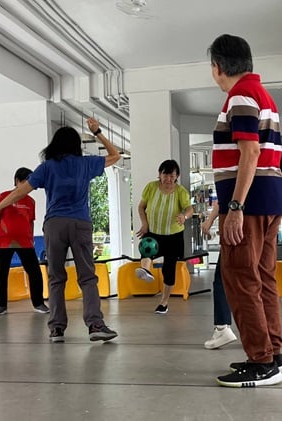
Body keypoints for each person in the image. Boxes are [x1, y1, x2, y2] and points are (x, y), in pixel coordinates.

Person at [0, 117, 120, 343]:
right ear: (75, 145)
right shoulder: (85, 163)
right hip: (80, 224)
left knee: (56, 277)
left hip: (55, 224)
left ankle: (57, 329)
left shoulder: (47, 167)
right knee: (87, 277)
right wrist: (97, 132)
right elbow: (116, 156)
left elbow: (21, 191)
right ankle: (95, 324)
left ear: (55, 145)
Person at [208, 34, 282, 387]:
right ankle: (273, 353)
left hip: (249, 203)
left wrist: (235, 206)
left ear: (217, 67)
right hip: (269, 199)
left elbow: (249, 153)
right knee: (263, 277)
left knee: (240, 277)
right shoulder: (263, 96)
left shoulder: (240, 96)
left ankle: (261, 360)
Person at [0, 167, 49, 316]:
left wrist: (31, 238)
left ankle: (38, 303)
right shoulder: (3, 197)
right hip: (4, 242)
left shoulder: (31, 201)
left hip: (25, 243)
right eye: (27, 180)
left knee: (34, 272)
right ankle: (0, 306)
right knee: (2, 273)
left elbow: (31, 221)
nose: (30, 184)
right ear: (17, 181)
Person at [135, 159, 193, 314]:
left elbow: (189, 209)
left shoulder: (181, 192)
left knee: (169, 269)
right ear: (159, 175)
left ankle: (164, 302)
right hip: (153, 231)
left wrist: (184, 217)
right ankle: (145, 270)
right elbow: (141, 207)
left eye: (172, 176)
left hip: (173, 236)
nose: (168, 179)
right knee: (146, 250)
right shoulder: (151, 187)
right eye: (165, 175)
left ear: (176, 176)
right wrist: (144, 223)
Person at [201, 203, 237, 349]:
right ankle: (267, 334)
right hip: (258, 226)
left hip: (237, 229)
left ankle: (222, 328)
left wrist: (209, 221)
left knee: (222, 280)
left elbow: (224, 199)